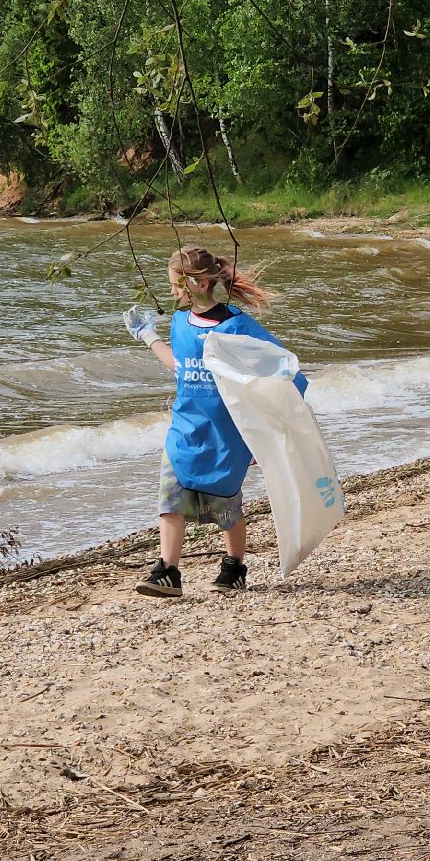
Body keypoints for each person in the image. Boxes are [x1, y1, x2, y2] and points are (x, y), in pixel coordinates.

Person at [123, 245, 304, 597]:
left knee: (227, 508)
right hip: (186, 428)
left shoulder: (238, 326)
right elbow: (179, 365)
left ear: (199, 284)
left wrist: (266, 433)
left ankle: (234, 567)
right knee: (170, 499)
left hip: (228, 433)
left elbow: (284, 371)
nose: (173, 292)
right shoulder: (179, 321)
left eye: (177, 284)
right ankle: (168, 571)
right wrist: (146, 336)